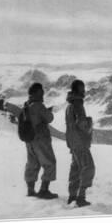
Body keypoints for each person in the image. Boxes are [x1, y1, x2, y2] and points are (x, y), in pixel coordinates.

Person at [23, 82, 58, 199]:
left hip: (29, 140)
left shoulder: (27, 105)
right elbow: (49, 118)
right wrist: (48, 111)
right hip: (40, 139)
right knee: (49, 162)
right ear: (38, 93)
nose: (43, 94)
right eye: (41, 92)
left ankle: (30, 190)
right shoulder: (38, 105)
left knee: (32, 164)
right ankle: (44, 190)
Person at [65, 79, 95, 207]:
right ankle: (81, 197)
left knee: (76, 169)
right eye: (82, 89)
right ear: (77, 90)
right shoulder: (78, 103)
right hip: (80, 142)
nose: (84, 92)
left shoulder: (69, 105)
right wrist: (89, 123)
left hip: (72, 142)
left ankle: (72, 196)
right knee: (88, 167)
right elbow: (81, 123)